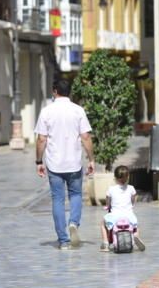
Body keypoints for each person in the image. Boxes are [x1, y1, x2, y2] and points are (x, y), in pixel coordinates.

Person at [34, 78, 95, 250]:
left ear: (55, 91)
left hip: (54, 163)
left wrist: (39, 161)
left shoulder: (47, 111)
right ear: (70, 92)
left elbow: (41, 139)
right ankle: (74, 222)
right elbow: (86, 137)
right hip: (74, 162)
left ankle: (63, 241)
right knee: (76, 195)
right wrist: (91, 159)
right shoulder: (78, 110)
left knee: (58, 200)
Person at [100, 165, 145, 252]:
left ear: (115, 177)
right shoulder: (131, 188)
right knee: (135, 225)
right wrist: (131, 204)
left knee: (102, 223)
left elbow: (108, 201)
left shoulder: (111, 189)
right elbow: (133, 200)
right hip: (128, 215)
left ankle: (105, 243)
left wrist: (108, 206)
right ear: (128, 177)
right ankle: (136, 236)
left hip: (115, 216)